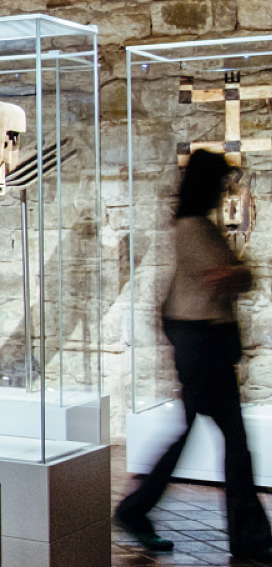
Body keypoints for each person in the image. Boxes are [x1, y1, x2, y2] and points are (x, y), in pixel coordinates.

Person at [116, 148, 272, 558]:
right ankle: (248, 538)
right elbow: (224, 277)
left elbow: (229, 276)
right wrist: (241, 272)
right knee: (233, 442)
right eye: (221, 183)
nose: (225, 192)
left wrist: (238, 273)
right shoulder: (193, 228)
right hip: (203, 343)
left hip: (202, 342)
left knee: (212, 438)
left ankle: (138, 510)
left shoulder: (196, 226)